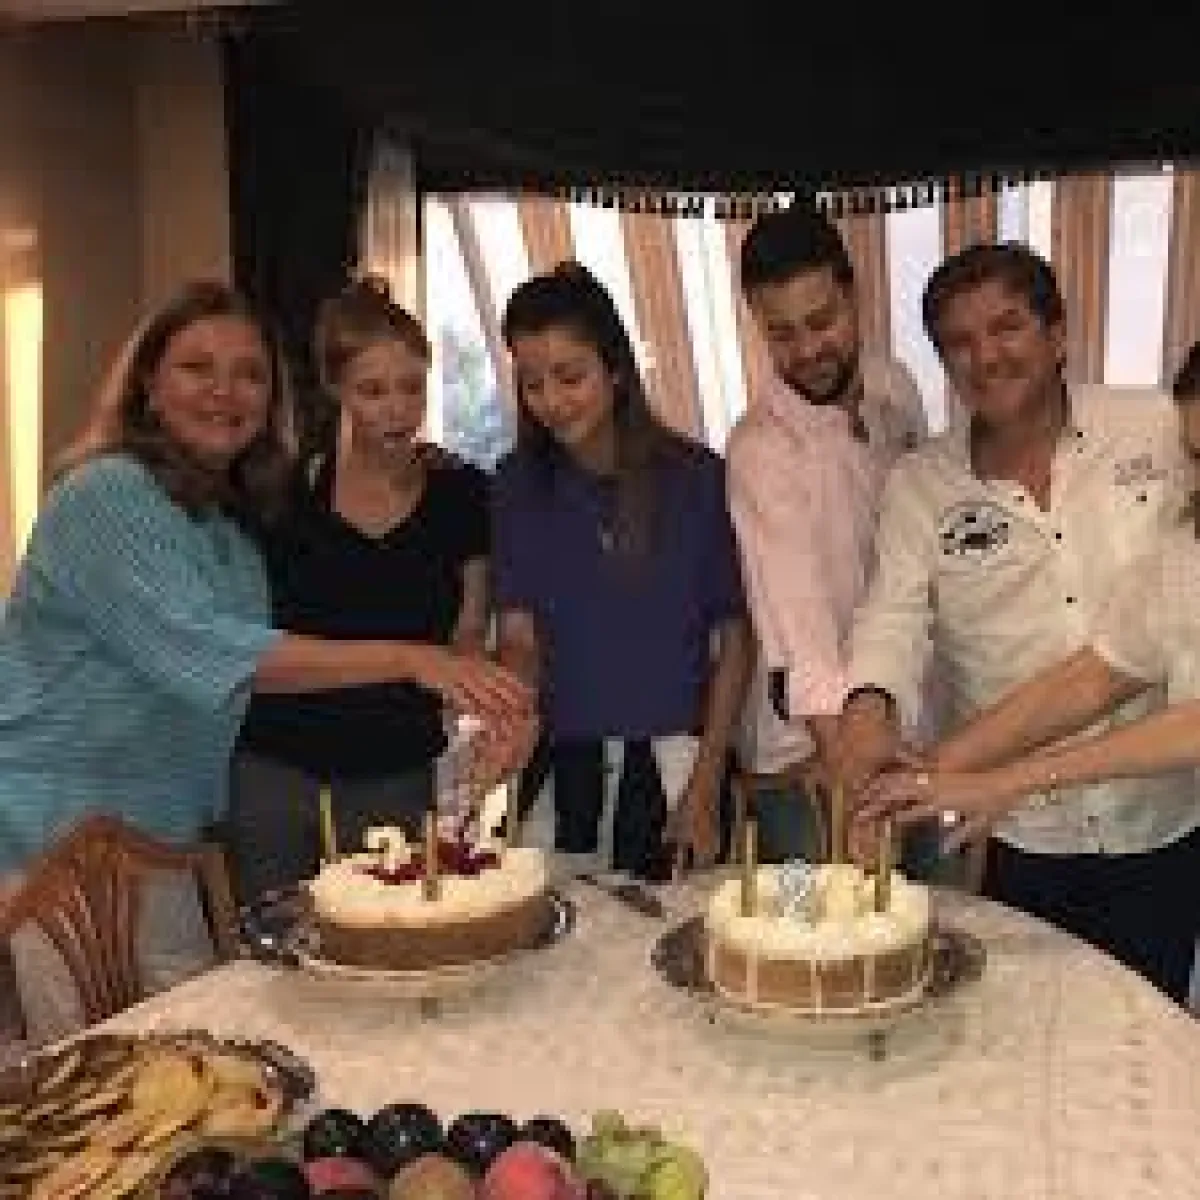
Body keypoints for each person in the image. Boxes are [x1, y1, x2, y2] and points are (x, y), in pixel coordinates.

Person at [0, 282, 529, 1039]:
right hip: (59, 837)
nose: (225, 391)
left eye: (249, 374)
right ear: (148, 382)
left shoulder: (227, 515)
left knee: (194, 1045)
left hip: (163, 835)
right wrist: (411, 659)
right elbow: (215, 649)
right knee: (99, 1065)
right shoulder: (105, 494)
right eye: (197, 367)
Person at [834, 243, 1195, 1001]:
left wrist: (967, 774)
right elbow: (1102, 671)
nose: (986, 356)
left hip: (1161, 815)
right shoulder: (921, 486)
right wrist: (883, 734)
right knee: (1030, 1031)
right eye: (960, 343)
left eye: (1006, 327)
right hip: (1022, 831)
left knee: (1148, 1024)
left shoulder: (1158, 426)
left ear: (1058, 334)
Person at [483, 262, 751, 877]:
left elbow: (735, 643)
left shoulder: (695, 478)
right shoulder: (516, 485)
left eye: (570, 376)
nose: (552, 401)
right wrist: (512, 713)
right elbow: (519, 638)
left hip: (680, 765)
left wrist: (707, 783)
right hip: (562, 769)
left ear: (616, 368)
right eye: (532, 384)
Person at [231, 280, 492, 899]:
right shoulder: (280, 496)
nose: (398, 408)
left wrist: (479, 703)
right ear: (335, 389)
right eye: (373, 391)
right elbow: (247, 652)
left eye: (412, 387)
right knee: (274, 941)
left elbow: (468, 631)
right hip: (275, 773)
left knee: (389, 931)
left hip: (397, 772)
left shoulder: (463, 495)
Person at [725, 202, 928, 862]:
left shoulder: (895, 387)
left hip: (908, 730)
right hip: (812, 759)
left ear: (853, 293)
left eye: (822, 321)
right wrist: (856, 793)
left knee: (928, 919)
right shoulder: (762, 450)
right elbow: (800, 637)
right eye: (781, 334)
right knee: (823, 922)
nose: (808, 349)